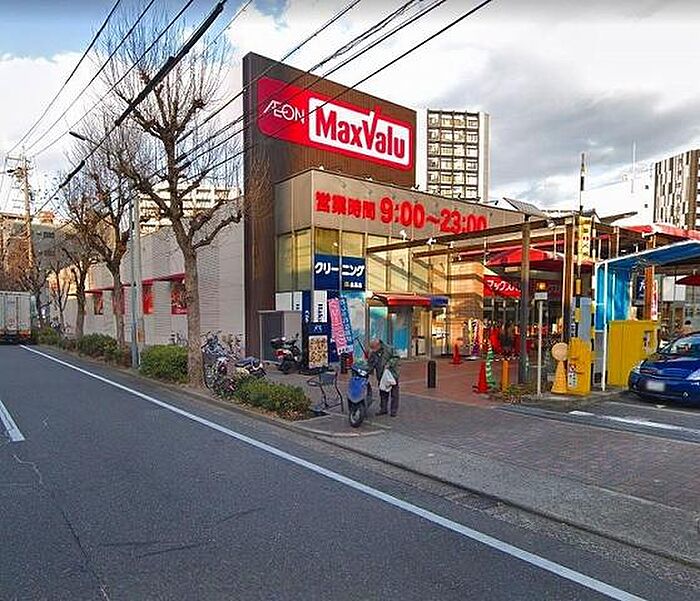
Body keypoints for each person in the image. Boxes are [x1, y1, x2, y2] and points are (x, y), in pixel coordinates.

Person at [367, 338, 400, 417]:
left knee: (394, 393)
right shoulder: (373, 352)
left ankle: (393, 410)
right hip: (381, 375)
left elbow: (396, 357)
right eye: (372, 348)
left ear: (378, 345)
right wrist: (368, 370)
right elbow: (370, 363)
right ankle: (383, 409)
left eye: (374, 348)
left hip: (392, 375)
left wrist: (389, 364)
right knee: (383, 392)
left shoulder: (389, 349)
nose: (373, 350)